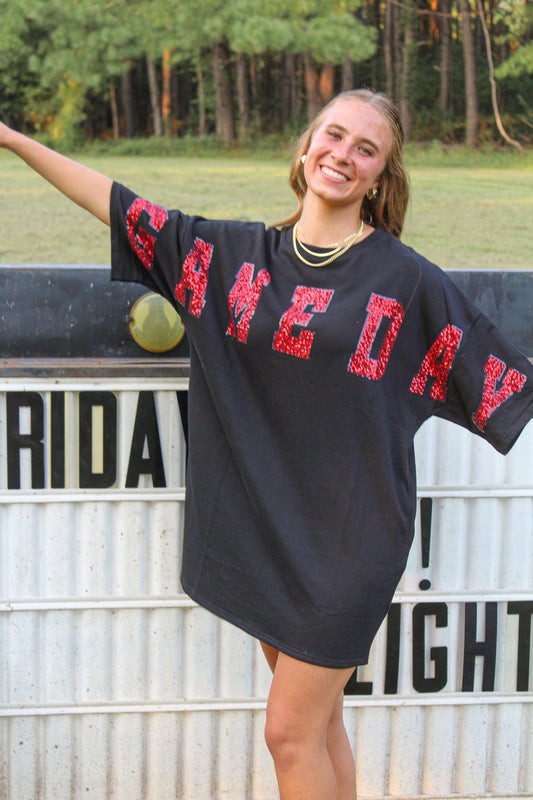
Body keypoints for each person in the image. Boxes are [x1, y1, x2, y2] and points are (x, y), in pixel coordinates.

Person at [1, 88, 532, 800]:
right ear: (305, 145)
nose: (342, 155)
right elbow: (120, 205)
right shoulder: (228, 256)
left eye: (364, 149)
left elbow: (502, 380)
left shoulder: (406, 283)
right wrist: (13, 139)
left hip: (351, 542)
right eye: (333, 136)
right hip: (264, 531)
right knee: (317, 729)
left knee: (286, 733)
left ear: (381, 176)